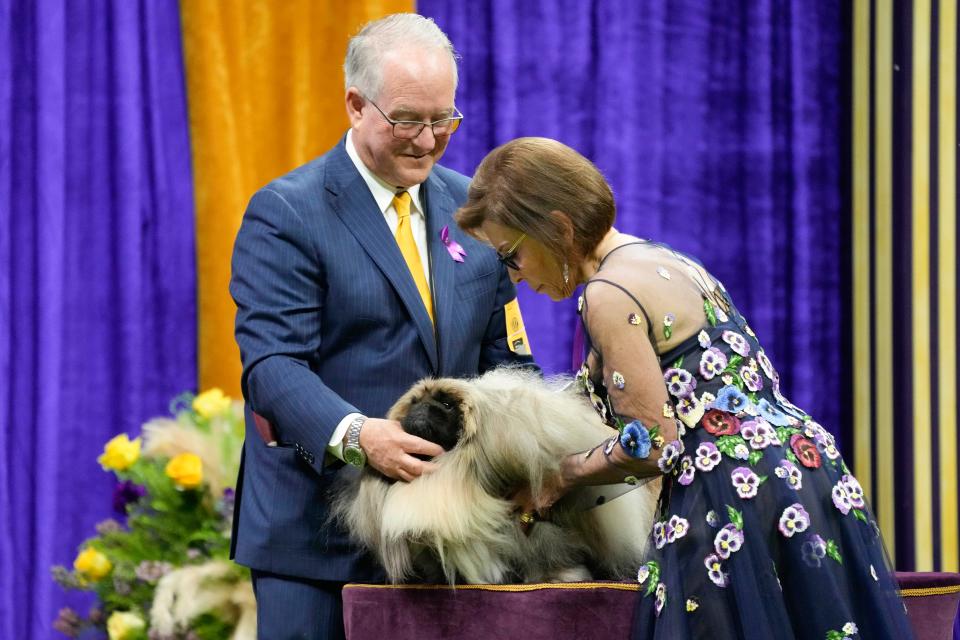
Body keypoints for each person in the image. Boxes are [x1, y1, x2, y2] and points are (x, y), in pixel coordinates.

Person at [455, 137, 914, 639]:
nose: (515, 278)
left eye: (511, 256)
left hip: (732, 493)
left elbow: (653, 444)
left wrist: (557, 479)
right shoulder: (662, 259)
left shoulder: (607, 295)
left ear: (558, 228)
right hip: (805, 472)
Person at [229, 14, 535, 640]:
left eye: (443, 119)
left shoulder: (472, 208)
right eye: (407, 120)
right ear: (355, 105)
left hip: (449, 540)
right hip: (317, 539)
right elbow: (273, 368)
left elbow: (508, 362)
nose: (427, 141)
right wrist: (362, 436)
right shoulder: (287, 212)